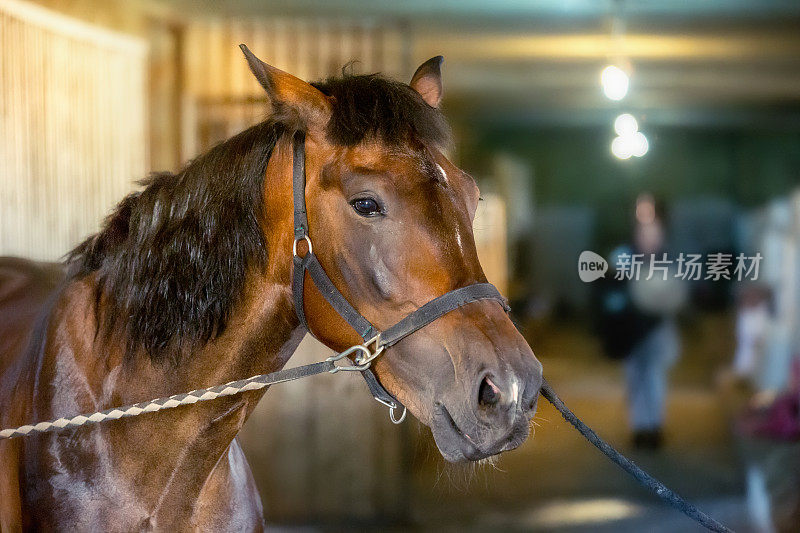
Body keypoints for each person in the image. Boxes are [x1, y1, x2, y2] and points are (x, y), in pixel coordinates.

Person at [596, 193, 686, 449]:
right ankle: (640, 428)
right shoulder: (622, 255)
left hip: (656, 329)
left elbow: (675, 292)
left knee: (655, 377)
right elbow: (609, 286)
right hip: (631, 329)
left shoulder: (668, 257)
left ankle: (654, 427)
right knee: (634, 377)